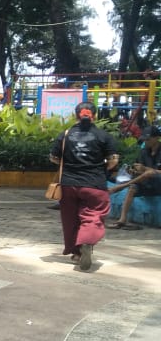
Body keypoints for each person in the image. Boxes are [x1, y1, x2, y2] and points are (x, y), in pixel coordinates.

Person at [50, 101, 120, 271]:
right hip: (94, 184)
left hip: (68, 184)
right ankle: (87, 242)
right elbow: (113, 161)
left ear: (76, 115)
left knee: (71, 219)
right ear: (94, 115)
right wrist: (101, 168)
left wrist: (70, 164)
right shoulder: (103, 136)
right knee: (93, 215)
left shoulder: (65, 135)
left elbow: (54, 158)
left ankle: (77, 253)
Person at [108, 125, 161, 230]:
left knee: (149, 172)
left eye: (148, 139)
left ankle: (120, 187)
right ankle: (122, 220)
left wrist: (145, 169)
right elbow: (140, 171)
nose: (146, 141)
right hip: (147, 183)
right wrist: (134, 171)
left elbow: (149, 171)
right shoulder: (144, 152)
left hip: (159, 184)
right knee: (133, 187)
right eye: (144, 139)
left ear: (157, 138)